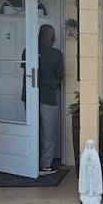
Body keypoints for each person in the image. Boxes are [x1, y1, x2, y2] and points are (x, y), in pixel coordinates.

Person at [22, 24, 65, 176]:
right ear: (53, 38)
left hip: (29, 96)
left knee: (33, 130)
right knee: (49, 133)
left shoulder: (28, 51)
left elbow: (27, 70)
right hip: (48, 97)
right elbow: (61, 75)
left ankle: (31, 163)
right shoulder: (56, 54)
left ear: (39, 36)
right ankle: (45, 166)